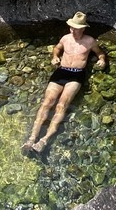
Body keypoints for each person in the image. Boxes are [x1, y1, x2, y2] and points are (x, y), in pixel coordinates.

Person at [22, 12, 106, 154]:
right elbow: (57, 48)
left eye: (76, 28)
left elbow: (100, 53)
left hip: (77, 74)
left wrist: (102, 60)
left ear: (83, 29)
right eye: (71, 27)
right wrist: (54, 57)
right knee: (47, 102)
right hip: (61, 71)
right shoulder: (66, 38)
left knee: (61, 104)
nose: (72, 30)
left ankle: (44, 140)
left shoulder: (90, 41)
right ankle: (31, 139)